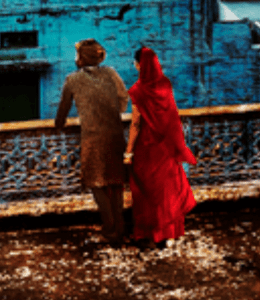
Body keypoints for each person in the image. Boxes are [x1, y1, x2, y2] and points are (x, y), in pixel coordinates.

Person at [55, 38, 129, 242]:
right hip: (115, 135)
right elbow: (123, 98)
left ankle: (110, 226)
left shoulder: (72, 80)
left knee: (95, 182)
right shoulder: (111, 73)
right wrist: (114, 112)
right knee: (115, 182)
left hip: (93, 138)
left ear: (82, 58)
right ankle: (119, 225)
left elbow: (63, 107)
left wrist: (59, 125)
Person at [124, 47, 197, 248]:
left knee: (148, 191)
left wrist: (129, 150)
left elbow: (136, 124)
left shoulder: (137, 91)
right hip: (166, 146)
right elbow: (172, 116)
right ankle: (171, 234)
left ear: (139, 65)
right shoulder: (165, 85)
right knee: (168, 189)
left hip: (147, 147)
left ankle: (154, 234)